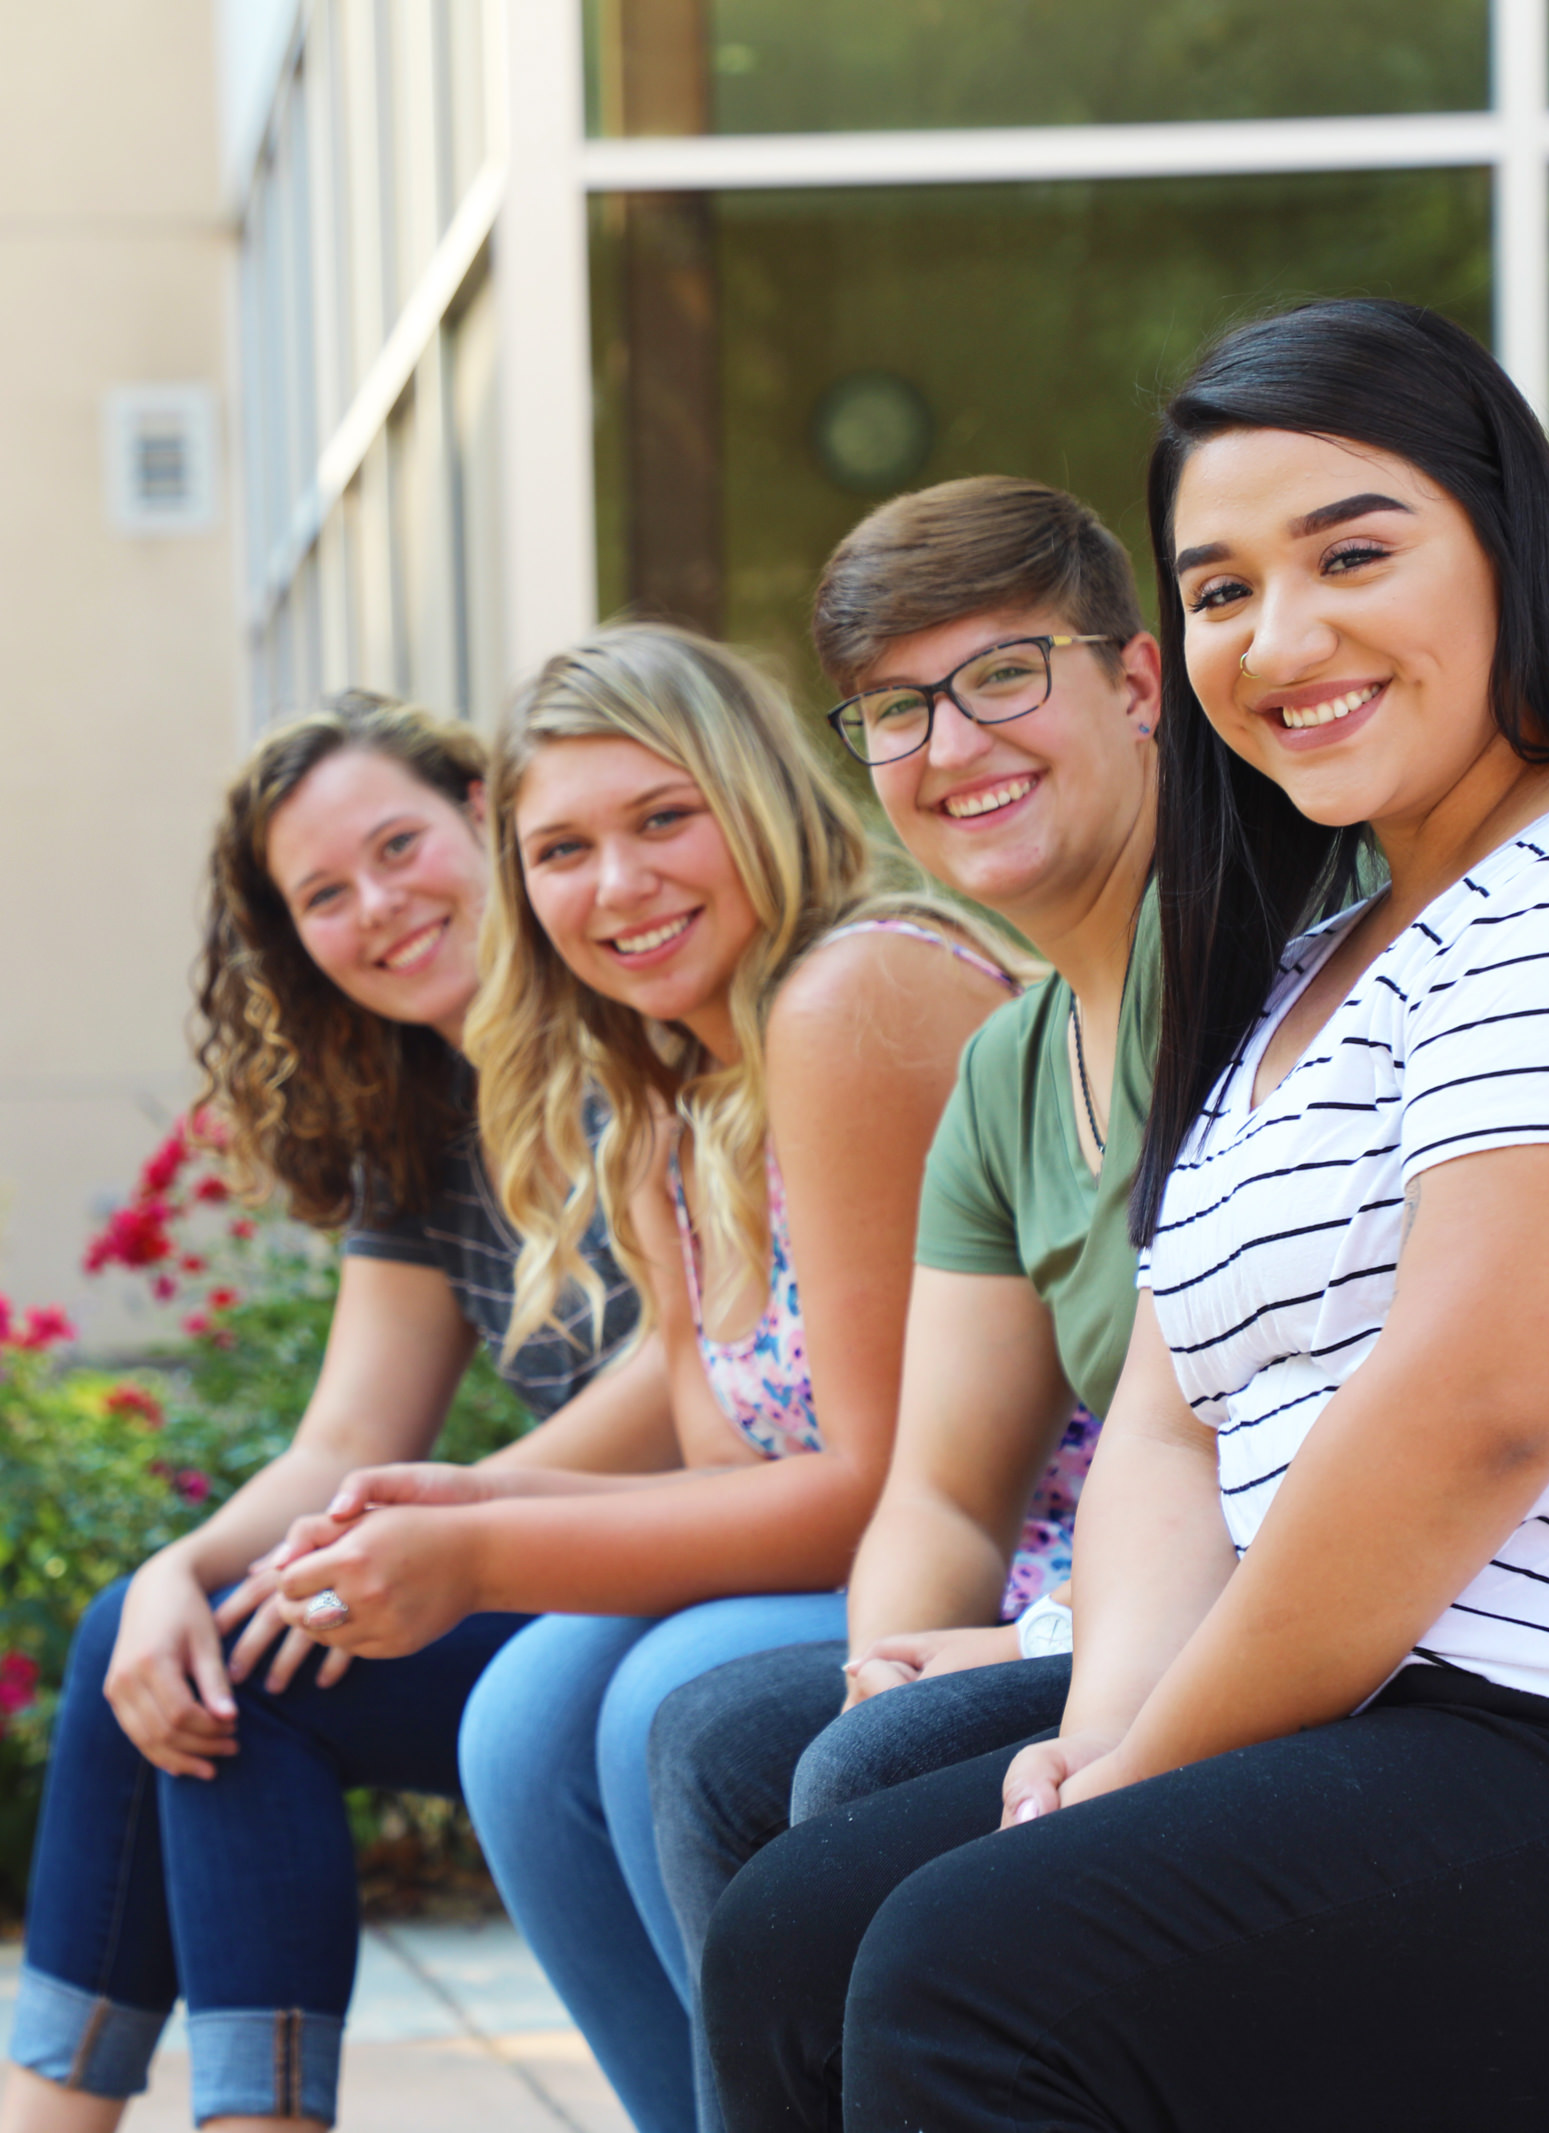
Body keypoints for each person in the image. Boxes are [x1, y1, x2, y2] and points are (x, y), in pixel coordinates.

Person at [704, 298, 1549, 2133]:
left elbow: (1468, 1413)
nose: (1287, 634)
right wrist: (1108, 1726)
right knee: (796, 1935)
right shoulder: (1314, 968)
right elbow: (1172, 1429)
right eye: (1222, 588)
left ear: (1510, 546)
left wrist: (1146, 1769)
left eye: (1354, 552)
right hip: (1440, 1726)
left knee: (973, 1974)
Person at [264, 623, 1013, 2133]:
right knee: (520, 1708)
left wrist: (480, 1545)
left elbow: (878, 1487)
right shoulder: (669, 1093)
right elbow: (717, 1445)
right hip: (884, 1538)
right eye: (562, 850)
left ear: (754, 799)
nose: (617, 887)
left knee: (658, 1693)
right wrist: (452, 1499)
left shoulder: (847, 997)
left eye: (663, 820)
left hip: (1029, 1550)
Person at [0, 693, 673, 2133]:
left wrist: (453, 1521)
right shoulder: (421, 1112)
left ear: (483, 816)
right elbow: (348, 1440)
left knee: (256, 1668)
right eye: (325, 893)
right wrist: (176, 1573)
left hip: (718, 1540)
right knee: (167, 1636)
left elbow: (698, 1366)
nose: (379, 905)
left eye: (398, 845)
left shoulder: (642, 1019)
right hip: (573, 1552)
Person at [642, 477, 1162, 2024]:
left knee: (835, 1790)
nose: (950, 748)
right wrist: (888, 1654)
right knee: (739, 1738)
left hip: (1286, 1628)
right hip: (1119, 1606)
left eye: (1003, 676)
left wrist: (1028, 1644)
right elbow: (939, 1483)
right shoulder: (1009, 1066)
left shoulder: (1264, 979)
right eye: (892, 710)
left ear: (1137, 684)